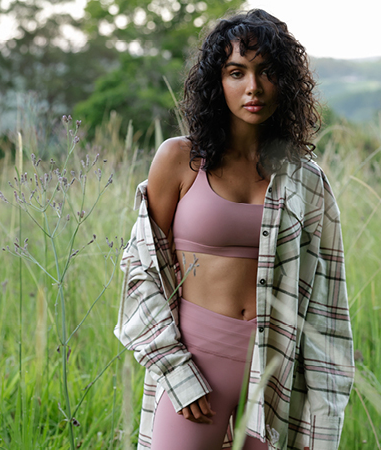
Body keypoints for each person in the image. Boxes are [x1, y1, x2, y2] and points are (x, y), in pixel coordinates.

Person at [115, 9, 354, 450]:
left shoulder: (307, 179)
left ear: (285, 82)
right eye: (236, 72)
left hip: (278, 378)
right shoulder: (180, 160)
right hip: (196, 366)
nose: (253, 87)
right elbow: (140, 270)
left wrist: (324, 403)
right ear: (216, 81)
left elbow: (327, 301)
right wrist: (175, 368)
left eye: (267, 72)